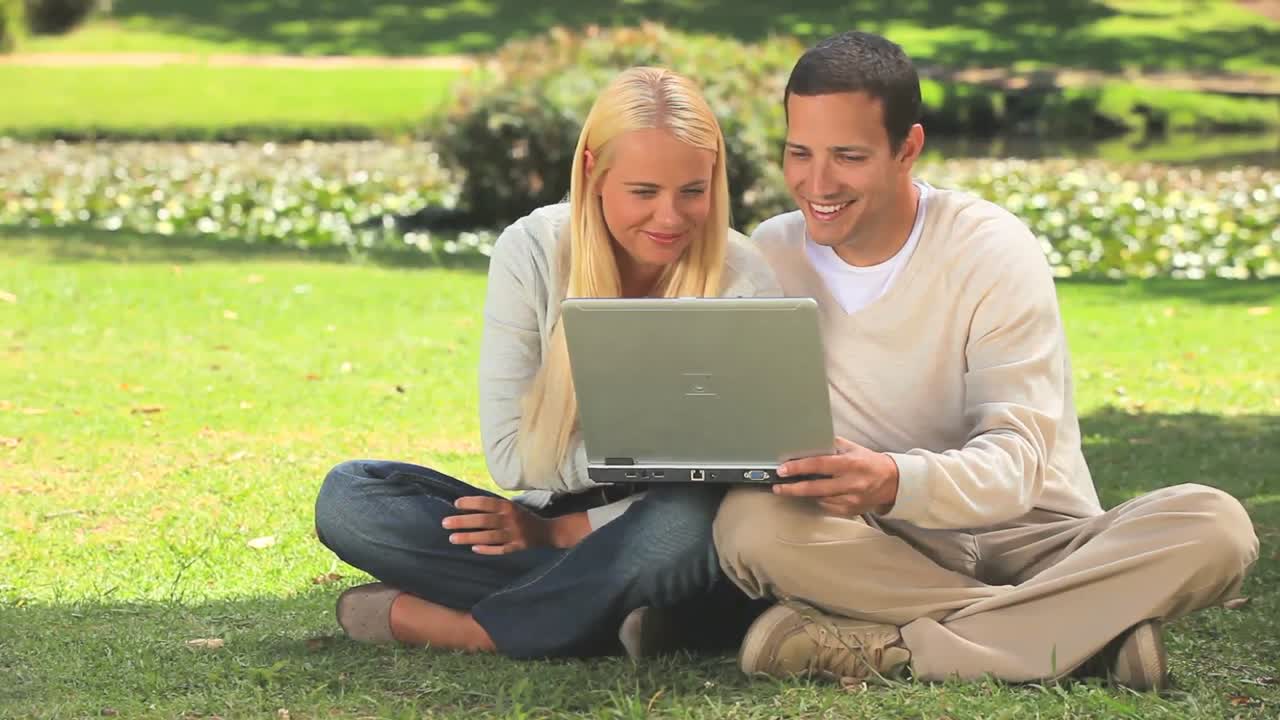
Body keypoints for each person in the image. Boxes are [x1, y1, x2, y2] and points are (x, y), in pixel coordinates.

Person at [712, 31, 1259, 691]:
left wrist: (892, 479)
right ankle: (1085, 643)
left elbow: (1018, 466)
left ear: (907, 148)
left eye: (847, 156)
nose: (817, 182)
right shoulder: (770, 253)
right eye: (799, 152)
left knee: (1216, 524)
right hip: (885, 543)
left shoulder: (991, 249)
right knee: (749, 524)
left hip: (1036, 541)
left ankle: (890, 646)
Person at [312, 66, 781, 659]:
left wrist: (569, 531)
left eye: (693, 191)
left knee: (686, 527)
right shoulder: (530, 251)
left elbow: (741, 469)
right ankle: (619, 612)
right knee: (351, 498)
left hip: (668, 519)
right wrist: (647, 461)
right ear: (593, 172)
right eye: (644, 192)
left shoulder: (745, 279)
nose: (670, 218)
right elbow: (512, 456)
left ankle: (478, 628)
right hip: (545, 516)